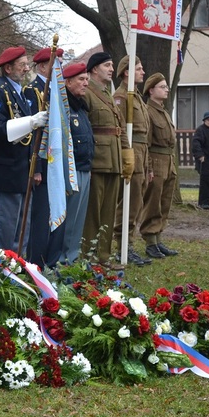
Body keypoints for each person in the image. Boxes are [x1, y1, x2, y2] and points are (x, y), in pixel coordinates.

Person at [0, 46, 47, 252]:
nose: (27, 68)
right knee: (5, 233)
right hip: (6, 172)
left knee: (21, 232)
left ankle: (15, 271)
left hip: (20, 171)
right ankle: (0, 273)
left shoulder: (16, 91)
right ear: (8, 68)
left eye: (27, 64)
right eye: (22, 65)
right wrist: (30, 122)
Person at [81, 51, 133, 265]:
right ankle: (88, 254)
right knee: (93, 211)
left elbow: (117, 128)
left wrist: (126, 153)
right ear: (94, 69)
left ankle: (103, 254)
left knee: (108, 210)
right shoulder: (87, 93)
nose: (112, 69)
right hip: (96, 160)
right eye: (107, 65)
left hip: (113, 160)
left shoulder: (107, 95)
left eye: (112, 65)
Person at [45, 61, 94, 267]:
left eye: (87, 80)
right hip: (70, 171)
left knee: (78, 220)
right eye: (81, 79)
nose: (85, 84)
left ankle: (72, 258)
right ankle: (63, 261)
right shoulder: (64, 108)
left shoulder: (81, 107)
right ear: (68, 81)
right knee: (68, 219)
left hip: (84, 168)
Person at [112, 55, 152, 266]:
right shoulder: (121, 97)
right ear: (126, 73)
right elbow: (119, 130)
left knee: (137, 203)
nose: (142, 72)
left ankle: (128, 244)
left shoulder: (135, 97)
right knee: (128, 202)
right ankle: (122, 247)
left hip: (142, 153)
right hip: (131, 153)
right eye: (138, 68)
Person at [25, 46, 63, 267]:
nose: (58, 68)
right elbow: (33, 133)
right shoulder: (34, 90)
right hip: (41, 163)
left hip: (54, 163)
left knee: (51, 214)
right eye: (54, 64)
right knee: (40, 217)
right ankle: (36, 262)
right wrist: (36, 166)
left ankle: (49, 260)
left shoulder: (54, 91)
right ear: (42, 66)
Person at [139, 73, 178, 258]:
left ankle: (158, 238)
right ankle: (150, 241)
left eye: (166, 86)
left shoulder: (163, 110)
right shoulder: (148, 111)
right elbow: (145, 142)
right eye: (162, 87)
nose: (166, 89)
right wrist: (149, 167)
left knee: (164, 202)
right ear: (151, 90)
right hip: (155, 160)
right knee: (153, 202)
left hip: (168, 161)